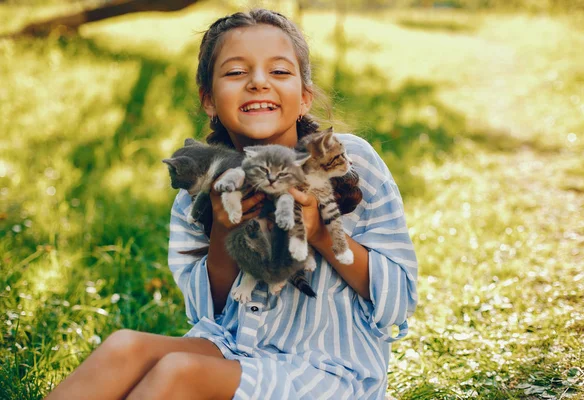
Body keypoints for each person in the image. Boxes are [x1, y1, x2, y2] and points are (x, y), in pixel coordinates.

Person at [46, 8, 418, 400]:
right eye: (236, 72)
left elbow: (399, 300)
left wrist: (323, 233)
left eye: (279, 72)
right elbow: (209, 314)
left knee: (179, 373)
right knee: (124, 347)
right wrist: (223, 229)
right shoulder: (202, 190)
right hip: (236, 348)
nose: (258, 82)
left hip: (330, 369)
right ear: (209, 99)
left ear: (305, 96)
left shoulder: (345, 161)